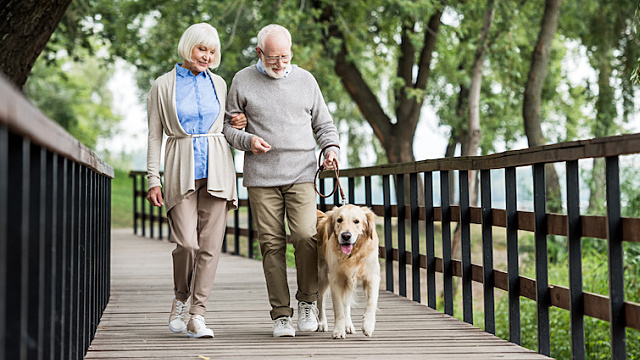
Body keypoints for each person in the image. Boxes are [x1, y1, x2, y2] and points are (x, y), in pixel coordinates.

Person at [223, 24, 339, 337]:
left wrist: (330, 149)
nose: (280, 64)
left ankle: (307, 302)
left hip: (301, 172)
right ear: (259, 53)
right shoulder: (243, 80)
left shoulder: (306, 80)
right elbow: (226, 127)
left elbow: (324, 124)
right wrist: (248, 141)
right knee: (271, 243)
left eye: (285, 57)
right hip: (261, 176)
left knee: (305, 235)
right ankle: (280, 315)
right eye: (273, 58)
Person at [146, 22, 246, 339]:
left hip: (217, 167)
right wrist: (153, 178)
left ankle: (197, 314)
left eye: (212, 51)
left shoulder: (219, 82)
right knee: (187, 243)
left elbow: (227, 121)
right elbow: (154, 136)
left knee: (210, 247)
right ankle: (180, 297)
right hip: (180, 169)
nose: (207, 56)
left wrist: (238, 121)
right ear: (188, 46)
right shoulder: (163, 86)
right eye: (202, 48)